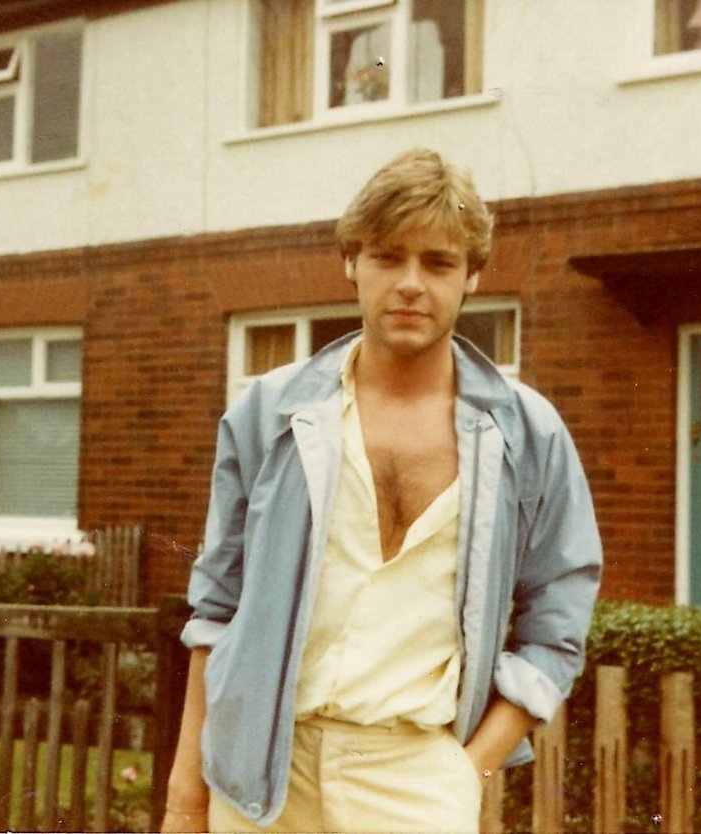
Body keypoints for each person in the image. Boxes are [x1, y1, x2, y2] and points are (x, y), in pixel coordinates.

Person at [162, 148, 602, 833]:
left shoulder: (527, 432)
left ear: (473, 277)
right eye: (387, 257)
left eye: (438, 263)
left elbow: (558, 619)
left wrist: (469, 768)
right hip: (261, 776)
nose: (409, 284)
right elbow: (216, 611)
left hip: (416, 776)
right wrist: (185, 797)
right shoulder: (270, 414)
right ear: (351, 262)